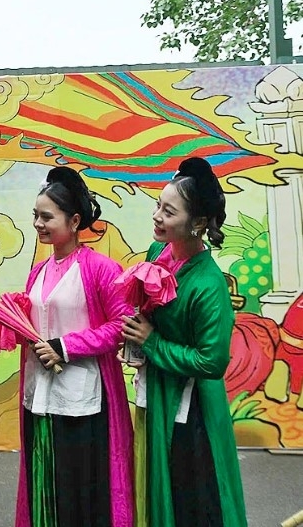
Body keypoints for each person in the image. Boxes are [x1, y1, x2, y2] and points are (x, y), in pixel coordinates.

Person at [0, 166, 134, 527]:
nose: (38, 224)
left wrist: (66, 346)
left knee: (79, 489)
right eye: (35, 217)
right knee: (45, 487)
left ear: (74, 221)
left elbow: (121, 326)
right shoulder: (37, 271)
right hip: (38, 397)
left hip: (82, 400)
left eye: (46, 217)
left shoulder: (101, 269)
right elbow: (29, 323)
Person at [121, 156, 247, 527]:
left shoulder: (208, 285)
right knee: (151, 479)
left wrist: (152, 343)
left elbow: (212, 362)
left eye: (168, 211)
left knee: (191, 492)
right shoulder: (156, 254)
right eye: (158, 206)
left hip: (190, 410)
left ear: (197, 224)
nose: (157, 216)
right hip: (156, 390)